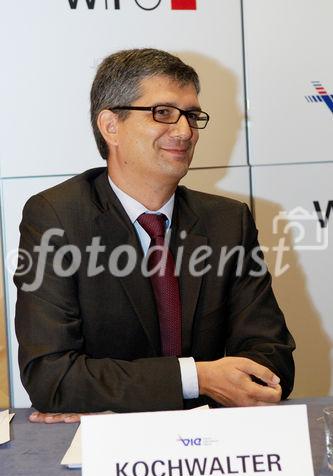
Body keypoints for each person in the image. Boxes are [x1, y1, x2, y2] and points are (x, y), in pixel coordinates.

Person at [14, 48, 295, 424]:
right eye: (163, 113)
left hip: (212, 447)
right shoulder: (57, 217)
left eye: (192, 116)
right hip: (106, 457)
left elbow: (272, 362)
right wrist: (200, 378)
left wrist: (104, 397)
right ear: (111, 125)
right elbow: (51, 377)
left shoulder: (228, 222)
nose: (185, 131)